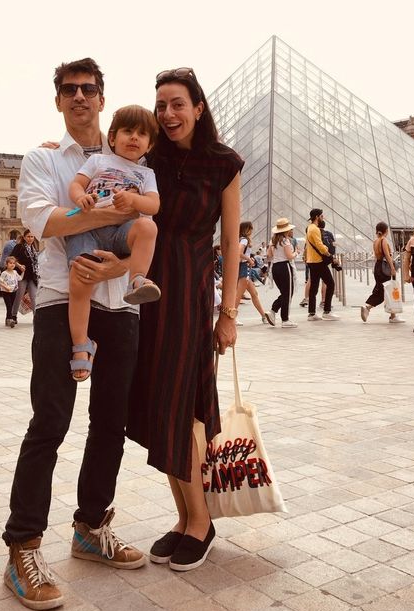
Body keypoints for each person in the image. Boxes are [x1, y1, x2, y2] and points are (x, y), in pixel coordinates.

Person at [2, 58, 146, 611]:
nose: (80, 97)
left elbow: (145, 226)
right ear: (58, 100)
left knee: (111, 423)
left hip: (119, 303)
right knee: (51, 421)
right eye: (70, 90)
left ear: (103, 99)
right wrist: (98, 213)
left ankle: (90, 527)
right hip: (64, 302)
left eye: (89, 89)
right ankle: (22, 545)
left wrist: (115, 259)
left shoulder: (133, 157)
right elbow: (47, 223)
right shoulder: (42, 158)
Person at [127, 66, 242, 572]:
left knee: (178, 406)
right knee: (157, 404)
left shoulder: (224, 164)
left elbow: (232, 242)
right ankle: (183, 517)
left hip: (191, 295)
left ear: (198, 107)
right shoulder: (149, 160)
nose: (167, 114)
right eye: (161, 106)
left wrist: (228, 312)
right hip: (149, 295)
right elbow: (108, 169)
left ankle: (201, 522)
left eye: (177, 104)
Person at [66, 105, 160, 381]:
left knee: (147, 226)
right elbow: (76, 184)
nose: (134, 138)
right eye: (128, 131)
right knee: (79, 280)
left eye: (142, 135)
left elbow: (153, 205)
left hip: (121, 232)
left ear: (149, 145)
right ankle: (82, 345)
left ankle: (138, 279)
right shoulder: (98, 162)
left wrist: (134, 201)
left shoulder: (147, 174)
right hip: (89, 229)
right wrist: (80, 197)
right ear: (112, 137)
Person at [361, 222, 403, 324]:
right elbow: (387, 256)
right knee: (386, 291)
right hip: (385, 268)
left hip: (378, 267)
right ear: (386, 230)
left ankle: (392, 315)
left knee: (384, 290)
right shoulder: (383, 240)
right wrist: (392, 268)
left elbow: (376, 257)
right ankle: (368, 307)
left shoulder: (375, 241)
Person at [304, 208, 338, 320]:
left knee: (314, 288)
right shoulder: (314, 229)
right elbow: (319, 245)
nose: (323, 218)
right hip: (318, 261)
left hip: (311, 261)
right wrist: (328, 251)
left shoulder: (309, 228)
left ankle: (312, 313)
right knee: (331, 284)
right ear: (317, 217)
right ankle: (327, 311)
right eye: (322, 216)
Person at [235, 221, 269, 325]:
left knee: (254, 293)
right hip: (243, 268)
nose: (252, 231)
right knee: (239, 294)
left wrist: (249, 260)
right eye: (251, 228)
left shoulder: (242, 239)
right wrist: (249, 260)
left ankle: (263, 316)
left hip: (243, 267)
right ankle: (232, 317)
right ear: (248, 229)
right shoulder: (244, 240)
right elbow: (239, 252)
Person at [266, 217, 297, 328]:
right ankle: (285, 320)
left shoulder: (273, 240)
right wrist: (296, 253)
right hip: (285, 267)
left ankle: (273, 312)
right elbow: (289, 256)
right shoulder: (285, 240)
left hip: (275, 268)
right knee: (288, 293)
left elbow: (269, 255)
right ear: (286, 230)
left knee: (285, 293)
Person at [10, 230, 39, 325]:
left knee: (34, 296)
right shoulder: (19, 247)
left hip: (32, 275)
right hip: (22, 275)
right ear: (24, 237)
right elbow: (12, 258)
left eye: (32, 237)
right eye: (28, 237)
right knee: (19, 295)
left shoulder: (34, 248)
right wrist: (19, 266)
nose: (30, 239)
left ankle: (36, 317)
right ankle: (13, 315)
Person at [0, 256, 23, 327]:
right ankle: (10, 320)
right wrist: (6, 287)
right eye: (10, 263)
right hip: (6, 292)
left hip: (13, 291)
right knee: (9, 306)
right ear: (6, 264)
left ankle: (7, 319)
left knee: (11, 306)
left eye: (13, 263)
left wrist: (23, 271)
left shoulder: (15, 272)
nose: (12, 264)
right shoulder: (4, 273)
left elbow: (20, 278)